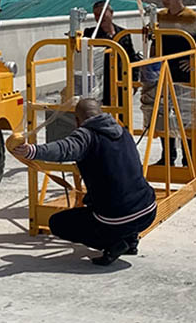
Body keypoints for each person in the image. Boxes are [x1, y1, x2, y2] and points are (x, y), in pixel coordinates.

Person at [12, 97, 157, 267]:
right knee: (117, 200)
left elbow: (63, 149)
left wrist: (32, 151)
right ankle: (131, 241)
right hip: (148, 210)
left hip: (117, 217)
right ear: (102, 113)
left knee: (58, 223)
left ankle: (114, 244)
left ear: (77, 120)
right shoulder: (122, 132)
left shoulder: (87, 136)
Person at [143, 0, 196, 167]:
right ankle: (167, 157)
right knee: (162, 117)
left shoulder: (191, 18)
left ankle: (189, 159)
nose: (164, 0)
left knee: (185, 119)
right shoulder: (160, 16)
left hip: (183, 76)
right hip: (161, 73)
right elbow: (154, 40)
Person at [84, 0, 140, 109]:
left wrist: (134, 80)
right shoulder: (90, 34)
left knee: (122, 112)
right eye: (96, 15)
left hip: (120, 81)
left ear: (111, 13)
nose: (100, 18)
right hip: (102, 84)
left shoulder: (123, 34)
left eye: (102, 14)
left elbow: (132, 58)